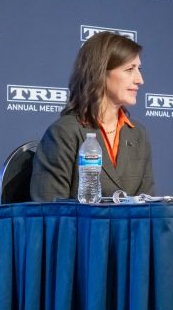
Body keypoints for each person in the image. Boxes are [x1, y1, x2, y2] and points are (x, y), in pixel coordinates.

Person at [30, 31, 154, 201]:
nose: (140, 80)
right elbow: (51, 214)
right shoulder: (64, 133)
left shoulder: (138, 133)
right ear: (100, 72)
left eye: (138, 69)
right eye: (130, 69)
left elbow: (148, 207)